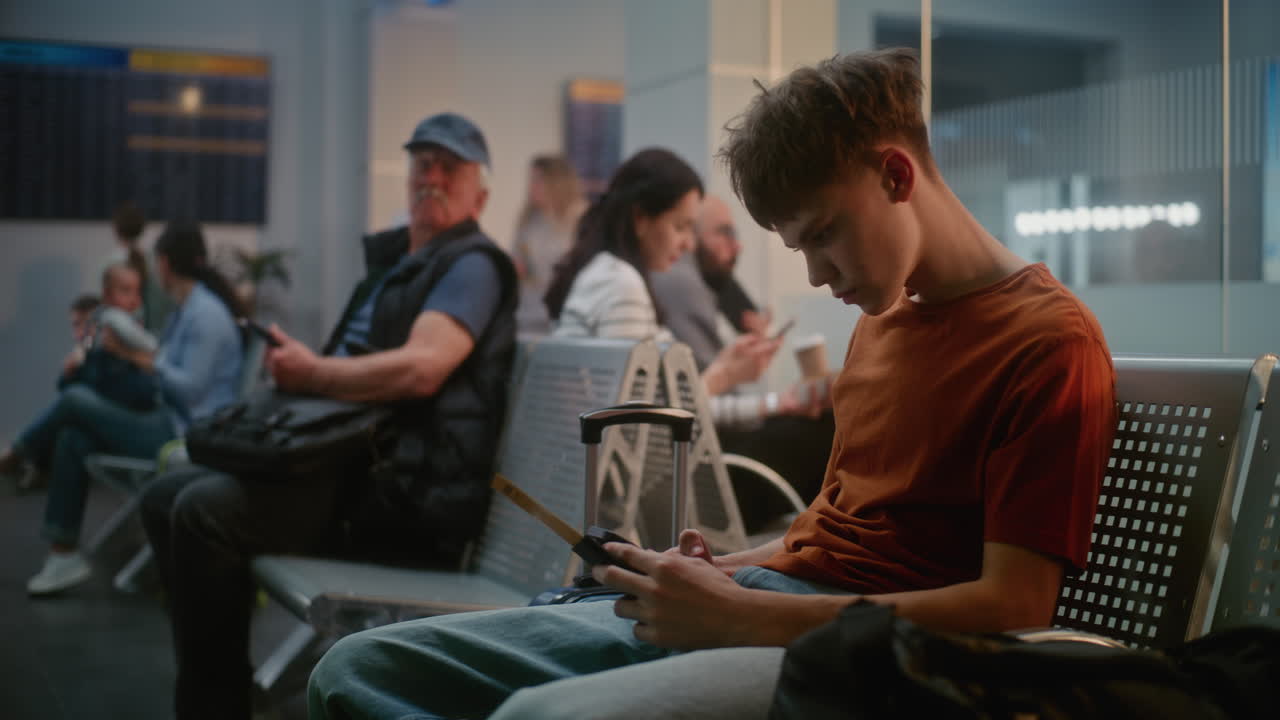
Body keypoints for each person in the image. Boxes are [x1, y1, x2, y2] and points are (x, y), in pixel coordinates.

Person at [306, 49, 1116, 720]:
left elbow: (1015, 608)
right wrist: (721, 573)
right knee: (353, 670)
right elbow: (830, 531)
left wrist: (746, 613)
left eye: (824, 235)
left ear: (897, 176)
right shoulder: (884, 322)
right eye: (799, 246)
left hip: (853, 654)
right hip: (776, 602)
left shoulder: (1046, 343)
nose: (816, 274)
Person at [139, 112, 517, 720]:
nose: (432, 177)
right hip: (349, 467)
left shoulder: (471, 263)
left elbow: (423, 367)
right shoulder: (399, 265)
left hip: (397, 493)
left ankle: (214, 704)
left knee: (202, 513)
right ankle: (218, 684)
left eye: (450, 167)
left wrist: (311, 373)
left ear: (483, 193)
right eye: (422, 163)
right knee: (164, 497)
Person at [1, 221, 244, 596]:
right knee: (72, 435)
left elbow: (191, 390)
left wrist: (137, 357)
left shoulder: (205, 315)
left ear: (163, 263)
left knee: (74, 402)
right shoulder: (188, 310)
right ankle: (62, 553)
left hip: (184, 433)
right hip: (167, 419)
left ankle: (19, 454)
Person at [544, 147, 781, 401]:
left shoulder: (606, 272)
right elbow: (640, 421)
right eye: (680, 227)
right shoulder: (621, 284)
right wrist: (723, 376)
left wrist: (740, 382)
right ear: (640, 218)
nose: (689, 244)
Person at [652, 194, 836, 520]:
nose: (736, 247)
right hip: (703, 474)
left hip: (704, 450)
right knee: (829, 426)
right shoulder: (682, 284)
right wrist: (774, 403)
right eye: (724, 233)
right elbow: (696, 406)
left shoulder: (701, 289)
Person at [512, 154, 586, 333]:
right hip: (529, 313)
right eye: (531, 180)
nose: (532, 187)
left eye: (538, 180)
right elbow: (518, 259)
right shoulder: (529, 219)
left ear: (557, 182)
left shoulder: (579, 217)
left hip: (567, 315)